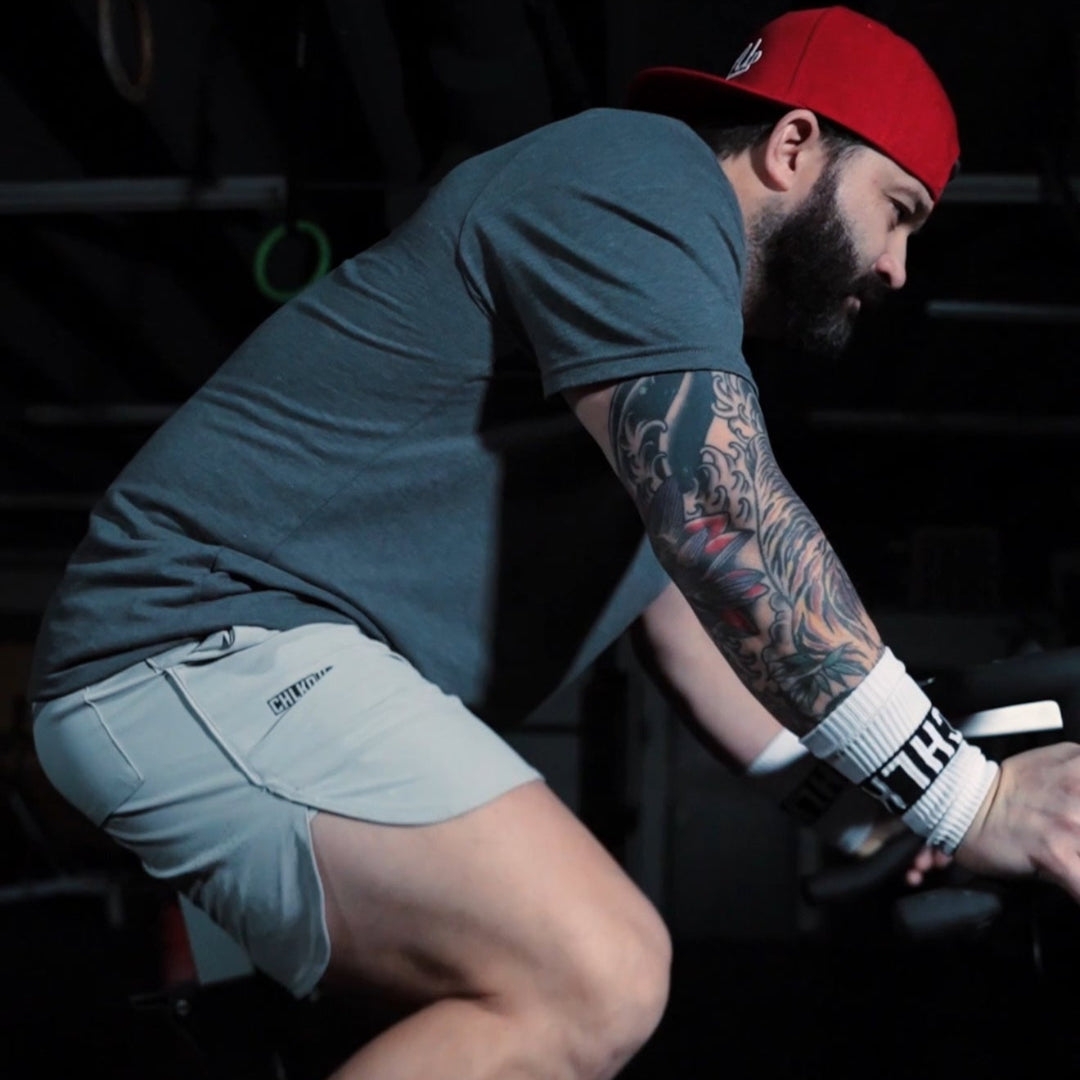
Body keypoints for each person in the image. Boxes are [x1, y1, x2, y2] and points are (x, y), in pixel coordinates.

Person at [27, 6, 1080, 1078]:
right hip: (198, 636)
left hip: (237, 673)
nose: (899, 267)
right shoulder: (644, 176)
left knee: (415, 1027)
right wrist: (972, 796)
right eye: (896, 210)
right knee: (595, 970)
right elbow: (730, 533)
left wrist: (877, 816)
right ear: (794, 145)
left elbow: (687, 632)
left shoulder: (645, 352)